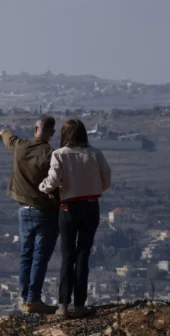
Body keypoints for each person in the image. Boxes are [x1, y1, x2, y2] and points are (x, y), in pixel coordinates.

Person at [39, 119, 111, 318]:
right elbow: (107, 180)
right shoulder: (95, 153)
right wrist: (92, 190)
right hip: (91, 206)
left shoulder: (59, 154)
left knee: (67, 256)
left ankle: (63, 305)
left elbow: (52, 180)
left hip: (68, 208)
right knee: (83, 255)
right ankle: (80, 305)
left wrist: (42, 187)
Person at [0, 115, 60, 314]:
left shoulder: (21, 147)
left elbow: (9, 138)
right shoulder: (52, 154)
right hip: (46, 212)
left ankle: (25, 299)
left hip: (24, 211)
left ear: (35, 129)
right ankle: (34, 300)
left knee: (26, 255)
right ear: (52, 133)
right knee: (40, 257)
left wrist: (3, 132)